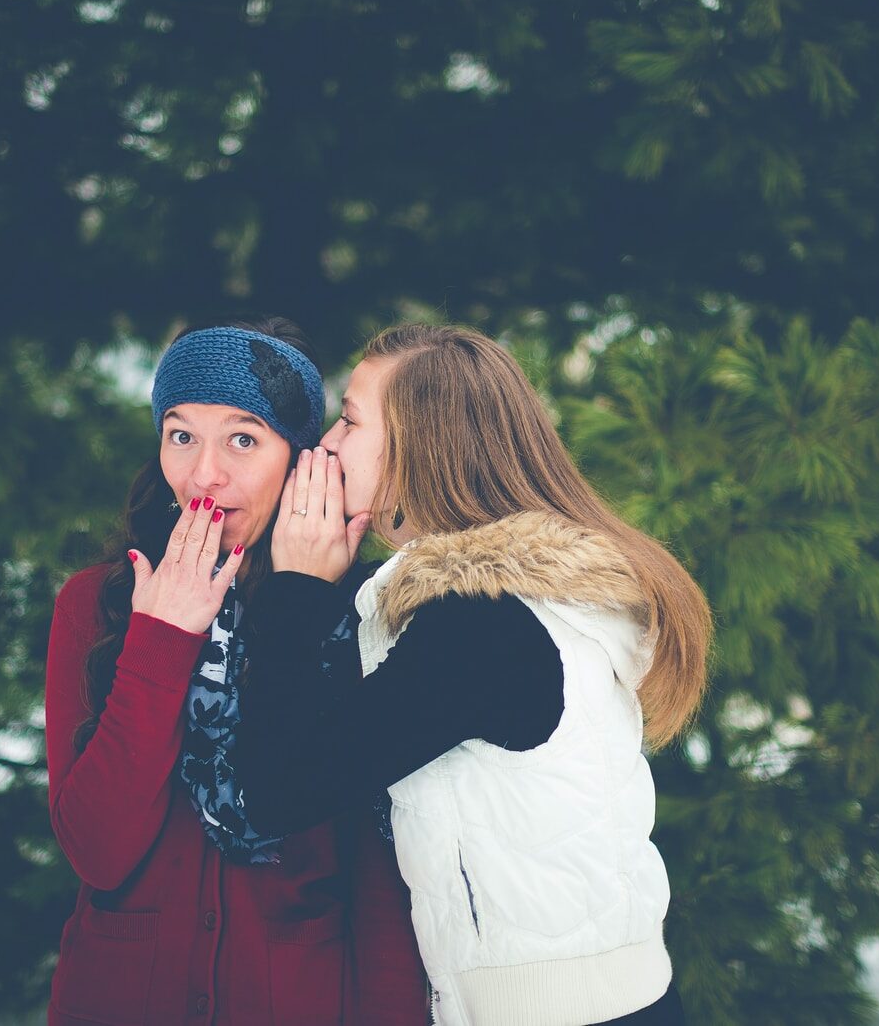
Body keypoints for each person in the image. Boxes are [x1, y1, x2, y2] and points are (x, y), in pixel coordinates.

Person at [198, 323, 712, 1025]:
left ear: (420, 444)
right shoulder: (528, 603)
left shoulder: (480, 627)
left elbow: (278, 793)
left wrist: (295, 589)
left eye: (349, 420)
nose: (328, 447)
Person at [43, 319, 426, 1025]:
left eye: (243, 438)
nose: (203, 474)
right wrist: (159, 641)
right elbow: (97, 852)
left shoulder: (359, 610)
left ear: (300, 459)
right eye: (181, 435)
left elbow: (379, 880)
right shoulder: (96, 605)